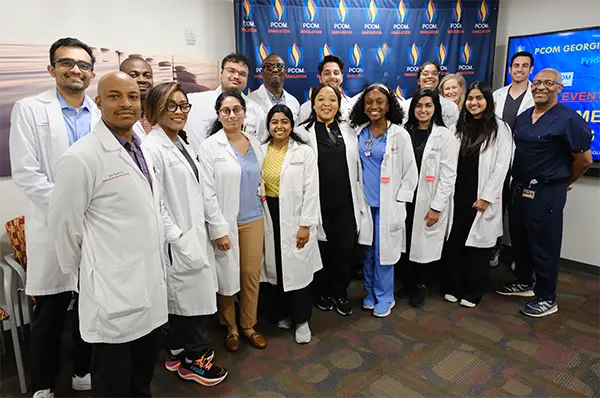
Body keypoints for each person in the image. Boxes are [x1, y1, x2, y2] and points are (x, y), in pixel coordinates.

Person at [47, 72, 169, 398]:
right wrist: (89, 274)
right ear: (99, 102)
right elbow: (63, 229)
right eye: (115, 96)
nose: (126, 103)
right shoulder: (81, 157)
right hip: (111, 293)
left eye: (133, 96)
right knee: (113, 383)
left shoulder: (142, 149)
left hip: (149, 287)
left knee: (142, 378)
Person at [9, 37, 98, 398]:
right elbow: (27, 173)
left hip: (95, 225)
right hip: (52, 225)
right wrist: (69, 209)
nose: (75, 69)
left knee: (90, 307)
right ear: (52, 69)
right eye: (66, 62)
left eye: (82, 64)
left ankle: (82, 369)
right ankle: (42, 384)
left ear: (91, 73)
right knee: (50, 310)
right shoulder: (29, 109)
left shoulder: (99, 113)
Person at [141, 82, 228, 386]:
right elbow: (157, 204)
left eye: (183, 106)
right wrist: (178, 238)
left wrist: (214, 229)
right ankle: (194, 360)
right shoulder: (152, 148)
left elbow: (202, 190)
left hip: (191, 237)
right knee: (191, 307)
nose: (179, 112)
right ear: (155, 109)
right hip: (177, 242)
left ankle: (178, 352)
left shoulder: (180, 142)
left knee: (186, 304)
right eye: (171, 106)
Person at [496, 69, 592, 317]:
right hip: (519, 187)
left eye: (548, 83)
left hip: (547, 190)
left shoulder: (569, 119)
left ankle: (547, 297)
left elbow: (584, 160)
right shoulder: (525, 117)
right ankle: (524, 282)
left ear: (559, 87)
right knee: (520, 239)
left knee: (544, 245)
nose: (540, 87)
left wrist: (564, 182)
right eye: (537, 83)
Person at [198, 91, 267, 352]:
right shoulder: (210, 147)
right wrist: (217, 229)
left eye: (237, 109)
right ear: (218, 114)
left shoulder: (255, 143)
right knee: (227, 275)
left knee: (251, 274)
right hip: (226, 221)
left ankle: (248, 324)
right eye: (226, 110)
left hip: (254, 218)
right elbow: (207, 191)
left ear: (244, 113)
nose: (232, 115)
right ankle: (231, 327)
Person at [349, 84, 418, 317]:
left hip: (389, 205)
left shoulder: (399, 135)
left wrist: (401, 200)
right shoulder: (359, 133)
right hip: (365, 204)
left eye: (380, 101)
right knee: (367, 251)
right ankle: (369, 292)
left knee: (384, 252)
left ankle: (385, 296)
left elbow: (411, 172)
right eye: (369, 101)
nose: (374, 106)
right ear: (363, 106)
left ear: (389, 106)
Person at [443, 82, 512, 308]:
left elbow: (502, 166)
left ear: (488, 101)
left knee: (478, 249)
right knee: (455, 243)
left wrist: (487, 197)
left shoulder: (500, 129)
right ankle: (453, 286)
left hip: (481, 197)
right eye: (470, 98)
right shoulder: (457, 126)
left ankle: (473, 291)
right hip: (457, 195)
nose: (474, 103)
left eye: (479, 98)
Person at [297, 83, 365, 316]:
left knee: (345, 250)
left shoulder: (349, 130)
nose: (327, 104)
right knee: (322, 250)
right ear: (313, 103)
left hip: (346, 202)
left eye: (332, 100)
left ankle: (340, 292)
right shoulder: (302, 133)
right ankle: (323, 292)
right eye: (321, 99)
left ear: (339, 104)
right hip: (318, 202)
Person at [260, 104, 321, 343]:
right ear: (268, 125)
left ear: (292, 125)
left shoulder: (304, 152)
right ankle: (283, 312)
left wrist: (306, 224)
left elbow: (311, 190)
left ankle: (302, 320)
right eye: (274, 122)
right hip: (269, 214)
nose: (279, 126)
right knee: (276, 270)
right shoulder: (261, 150)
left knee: (298, 271)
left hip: (296, 216)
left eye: (284, 121)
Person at [400, 88, 459, 307]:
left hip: (428, 198)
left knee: (424, 245)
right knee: (405, 241)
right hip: (404, 197)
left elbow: (448, 175)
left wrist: (437, 206)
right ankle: (406, 283)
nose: (422, 110)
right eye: (419, 105)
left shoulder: (444, 136)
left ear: (435, 109)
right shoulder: (402, 131)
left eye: (428, 105)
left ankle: (420, 286)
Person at [489, 51, 535, 268]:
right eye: (516, 65)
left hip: (523, 159)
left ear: (530, 69)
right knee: (495, 205)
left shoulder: (536, 95)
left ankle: (520, 255)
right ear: (510, 69)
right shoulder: (497, 95)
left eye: (524, 66)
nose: (519, 69)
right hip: (497, 158)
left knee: (519, 210)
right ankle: (494, 247)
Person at [187, 53, 266, 150]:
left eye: (242, 74)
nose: (236, 76)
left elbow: (260, 145)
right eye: (231, 71)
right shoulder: (195, 102)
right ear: (221, 72)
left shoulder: (256, 110)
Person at [298, 55, 356, 123]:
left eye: (336, 73)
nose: (332, 76)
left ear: (342, 77)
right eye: (327, 73)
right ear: (320, 77)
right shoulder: (305, 108)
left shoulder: (352, 105)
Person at [400, 61, 460, 128]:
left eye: (434, 73)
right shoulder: (405, 106)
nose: (430, 76)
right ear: (418, 81)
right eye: (425, 74)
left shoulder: (451, 107)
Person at [248, 54, 300, 118]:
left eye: (279, 66)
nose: (275, 70)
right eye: (268, 66)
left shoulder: (294, 102)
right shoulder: (250, 101)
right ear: (262, 73)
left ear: (285, 73)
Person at [120, 56, 154, 138]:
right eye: (133, 75)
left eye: (148, 76)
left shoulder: (159, 113)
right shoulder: (114, 115)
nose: (142, 80)